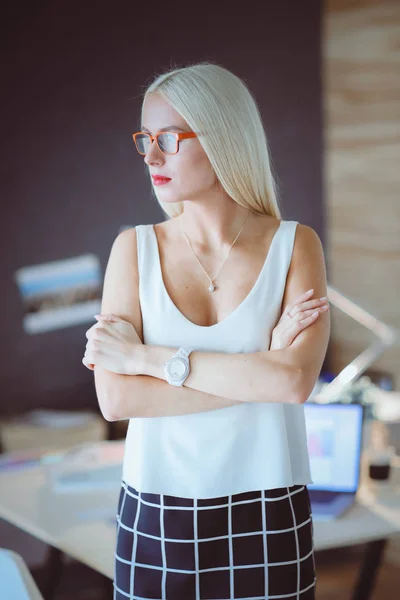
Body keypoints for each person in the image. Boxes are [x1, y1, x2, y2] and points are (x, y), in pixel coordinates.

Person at [83, 62, 330, 600]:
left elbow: (291, 385)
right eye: (145, 139)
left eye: (168, 138)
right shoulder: (134, 249)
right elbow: (116, 398)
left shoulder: (295, 245)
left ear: (222, 137)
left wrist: (151, 360)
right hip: (155, 504)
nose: (151, 156)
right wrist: (258, 365)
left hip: (269, 499)